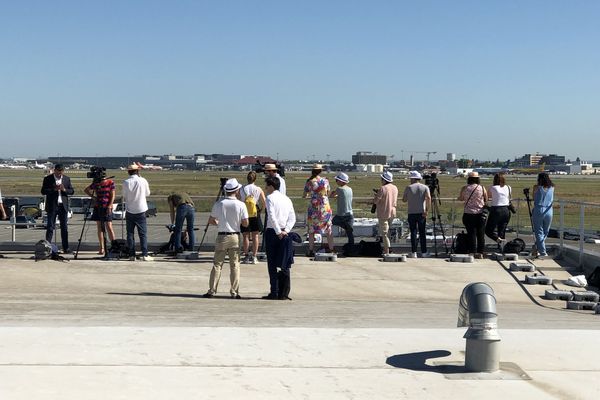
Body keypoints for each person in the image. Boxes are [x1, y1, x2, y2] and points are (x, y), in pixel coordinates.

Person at [203, 178, 248, 299]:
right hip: (235, 236)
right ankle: (234, 291)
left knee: (217, 264)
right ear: (236, 190)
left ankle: (212, 290)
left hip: (222, 236)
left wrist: (220, 223)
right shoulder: (241, 205)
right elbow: (245, 223)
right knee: (235, 265)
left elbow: (211, 220)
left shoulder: (219, 204)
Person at [263, 176, 296, 300]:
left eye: (267, 186)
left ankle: (274, 291)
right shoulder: (287, 199)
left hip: (273, 232)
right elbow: (292, 217)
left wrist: (278, 231)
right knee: (284, 262)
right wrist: (286, 230)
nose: (265, 188)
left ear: (271, 186)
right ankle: (284, 292)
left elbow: (271, 216)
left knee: (272, 263)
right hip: (285, 233)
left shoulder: (270, 198)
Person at [41, 164, 75, 253]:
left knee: (64, 228)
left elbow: (72, 191)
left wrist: (64, 190)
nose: (60, 173)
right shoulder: (48, 179)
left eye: (62, 171)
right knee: (50, 227)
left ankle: (66, 247)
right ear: (55, 170)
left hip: (63, 206)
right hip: (52, 206)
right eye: (58, 171)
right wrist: (54, 189)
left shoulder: (67, 179)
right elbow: (43, 191)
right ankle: (47, 247)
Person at [122, 163, 153, 261]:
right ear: (138, 171)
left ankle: (132, 255)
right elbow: (148, 193)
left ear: (129, 172)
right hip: (141, 209)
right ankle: (145, 254)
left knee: (130, 234)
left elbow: (124, 195)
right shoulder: (143, 180)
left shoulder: (126, 182)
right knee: (143, 234)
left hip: (130, 209)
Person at [303, 164, 334, 256]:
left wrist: (311, 195)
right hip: (325, 207)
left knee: (311, 230)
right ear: (320, 171)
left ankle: (311, 250)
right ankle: (331, 248)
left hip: (314, 207)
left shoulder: (309, 181)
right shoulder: (325, 180)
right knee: (328, 229)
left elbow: (304, 194)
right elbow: (327, 192)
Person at [84, 173, 116, 255]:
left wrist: (109, 205)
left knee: (109, 226)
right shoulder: (96, 183)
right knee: (100, 227)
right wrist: (94, 197)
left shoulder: (110, 182)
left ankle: (114, 246)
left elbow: (113, 195)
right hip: (98, 206)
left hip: (107, 206)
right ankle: (102, 247)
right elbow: (86, 190)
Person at [458, 171, 488, 259]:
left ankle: (472, 251)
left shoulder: (465, 188)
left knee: (471, 234)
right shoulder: (482, 188)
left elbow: (461, 198)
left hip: (468, 213)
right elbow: (486, 198)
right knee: (481, 234)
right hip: (480, 214)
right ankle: (480, 252)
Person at [402, 171, 432, 258]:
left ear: (414, 178)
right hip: (421, 212)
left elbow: (404, 199)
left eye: (411, 178)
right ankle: (424, 252)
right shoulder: (425, 187)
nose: (410, 180)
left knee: (413, 232)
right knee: (422, 233)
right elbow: (429, 198)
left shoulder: (408, 187)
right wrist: (427, 210)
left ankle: (414, 252)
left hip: (411, 212)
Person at [240, 171, 266, 264]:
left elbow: (239, 200)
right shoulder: (258, 189)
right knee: (255, 235)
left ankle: (246, 256)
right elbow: (264, 202)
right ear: (255, 179)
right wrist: (261, 210)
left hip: (245, 212)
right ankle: (254, 256)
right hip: (255, 212)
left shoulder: (242, 188)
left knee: (245, 235)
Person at [372, 171, 398, 255]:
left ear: (384, 180)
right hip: (392, 211)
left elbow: (376, 201)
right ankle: (388, 248)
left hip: (383, 212)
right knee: (388, 231)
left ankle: (387, 250)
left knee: (384, 233)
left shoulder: (383, 188)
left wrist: (376, 196)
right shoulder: (395, 188)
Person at [486, 173, 512, 249]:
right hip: (506, 210)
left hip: (496, 210)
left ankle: (499, 240)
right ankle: (502, 247)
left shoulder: (493, 187)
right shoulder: (508, 187)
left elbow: (488, 197)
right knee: (502, 231)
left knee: (488, 231)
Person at [532, 172, 555, 258]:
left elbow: (534, 197)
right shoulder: (552, 187)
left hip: (539, 208)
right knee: (546, 231)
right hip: (549, 210)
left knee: (539, 231)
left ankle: (542, 251)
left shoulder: (537, 187)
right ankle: (539, 245)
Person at [330, 172, 354, 245]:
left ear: (341, 181)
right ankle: (351, 248)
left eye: (337, 180)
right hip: (350, 213)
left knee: (332, 222)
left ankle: (345, 227)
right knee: (350, 234)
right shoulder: (350, 189)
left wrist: (333, 192)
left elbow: (332, 196)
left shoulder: (339, 189)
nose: (336, 182)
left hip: (341, 214)